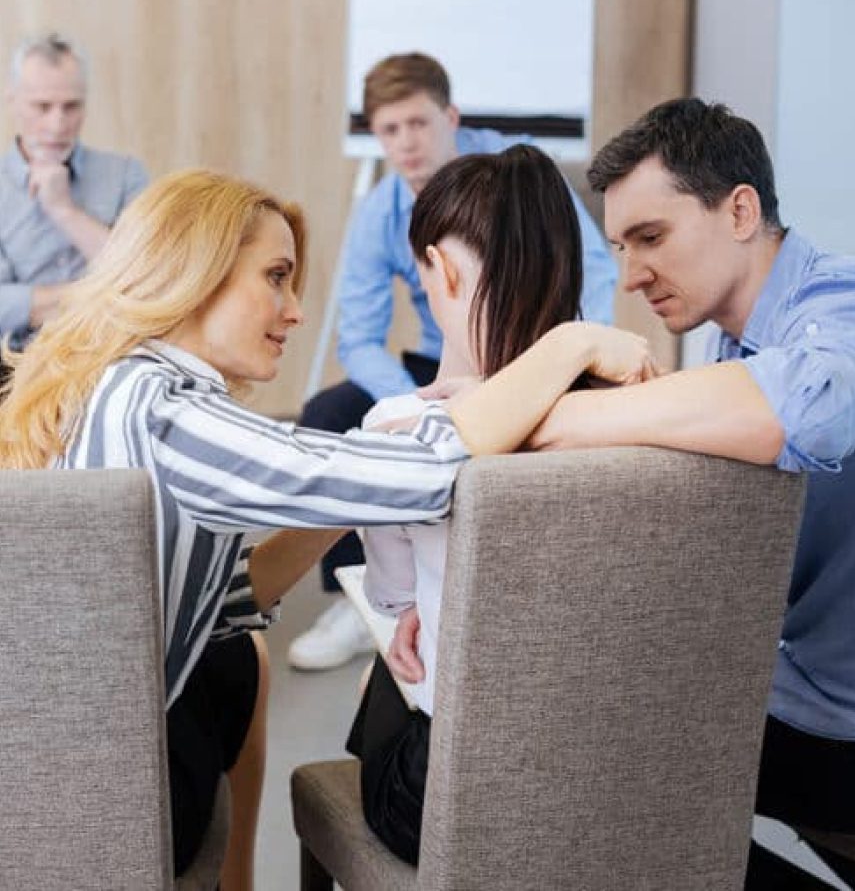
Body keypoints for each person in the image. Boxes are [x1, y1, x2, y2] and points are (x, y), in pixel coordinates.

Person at [0, 169, 654, 886]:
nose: (296, 310)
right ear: (196, 271)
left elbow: (217, 600)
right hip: (86, 787)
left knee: (239, 655)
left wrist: (347, 494)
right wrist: (573, 346)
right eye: (276, 278)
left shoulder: (126, 383)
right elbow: (432, 468)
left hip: (63, 747)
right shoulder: (168, 414)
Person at [512, 98, 855, 889]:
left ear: (741, 211)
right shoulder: (734, 339)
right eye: (621, 247)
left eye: (651, 238)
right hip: (793, 691)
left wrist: (560, 412)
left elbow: (812, 408)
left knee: (584, 789)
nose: (630, 276)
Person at [287, 51, 620, 671]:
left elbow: (591, 273)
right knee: (327, 413)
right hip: (443, 361)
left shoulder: (521, 179)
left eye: (418, 123)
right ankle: (351, 597)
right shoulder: (379, 213)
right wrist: (420, 402)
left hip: (536, 353)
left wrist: (543, 364)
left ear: (451, 116)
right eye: (390, 130)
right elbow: (358, 338)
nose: (407, 143)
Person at [343, 143, 600, 865]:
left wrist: (425, 599)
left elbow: (394, 599)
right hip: (604, 783)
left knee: (389, 667)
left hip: (448, 803)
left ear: (442, 270)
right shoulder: (631, 416)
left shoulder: (402, 427)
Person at [0, 32, 148, 352]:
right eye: (42, 106)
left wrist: (63, 210)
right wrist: (103, 295)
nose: (57, 124)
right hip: (14, 362)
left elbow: (148, 279)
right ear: (12, 100)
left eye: (71, 106)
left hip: (110, 356)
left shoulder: (125, 175)